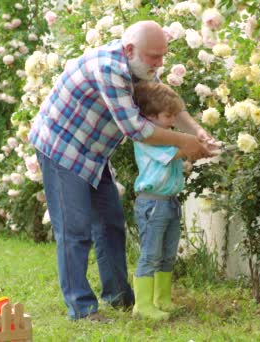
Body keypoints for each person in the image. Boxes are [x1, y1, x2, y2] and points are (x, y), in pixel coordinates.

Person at [28, 20, 215, 322]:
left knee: (111, 222)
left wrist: (198, 131)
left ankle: (119, 297)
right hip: (62, 147)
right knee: (74, 230)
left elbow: (165, 100)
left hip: (94, 152)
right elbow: (135, 128)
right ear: (130, 50)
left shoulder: (142, 65)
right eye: (154, 57)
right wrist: (186, 142)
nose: (160, 63)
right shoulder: (109, 68)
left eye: (162, 56)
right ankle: (81, 308)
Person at [130, 82, 190, 321]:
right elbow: (173, 154)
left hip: (169, 202)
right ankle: (142, 306)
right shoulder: (146, 138)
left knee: (167, 254)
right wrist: (193, 145)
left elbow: (176, 161)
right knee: (150, 255)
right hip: (153, 204)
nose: (173, 121)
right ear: (150, 116)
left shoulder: (167, 138)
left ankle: (161, 299)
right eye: (168, 116)